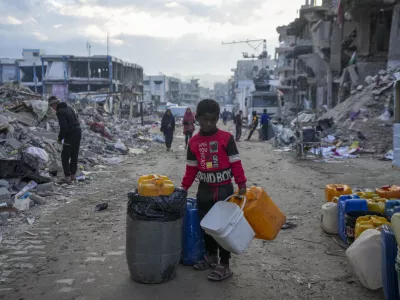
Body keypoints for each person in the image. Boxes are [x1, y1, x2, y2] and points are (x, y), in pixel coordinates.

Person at [181, 99, 247, 282]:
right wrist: (183, 188)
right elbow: (191, 169)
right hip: (205, 190)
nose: (208, 124)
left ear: (217, 118)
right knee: (207, 226)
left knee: (224, 228)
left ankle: (225, 265)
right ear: (197, 119)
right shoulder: (193, 142)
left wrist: (241, 184)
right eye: (204, 120)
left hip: (225, 190)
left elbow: (235, 163)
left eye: (212, 120)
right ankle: (211, 257)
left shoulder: (227, 138)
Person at [48, 96, 81, 184]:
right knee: (74, 154)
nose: (52, 108)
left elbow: (64, 127)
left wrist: (60, 138)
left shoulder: (60, 112)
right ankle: (73, 175)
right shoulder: (69, 108)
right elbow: (77, 118)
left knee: (65, 156)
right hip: (78, 131)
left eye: (52, 106)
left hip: (70, 134)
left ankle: (67, 177)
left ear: (54, 104)